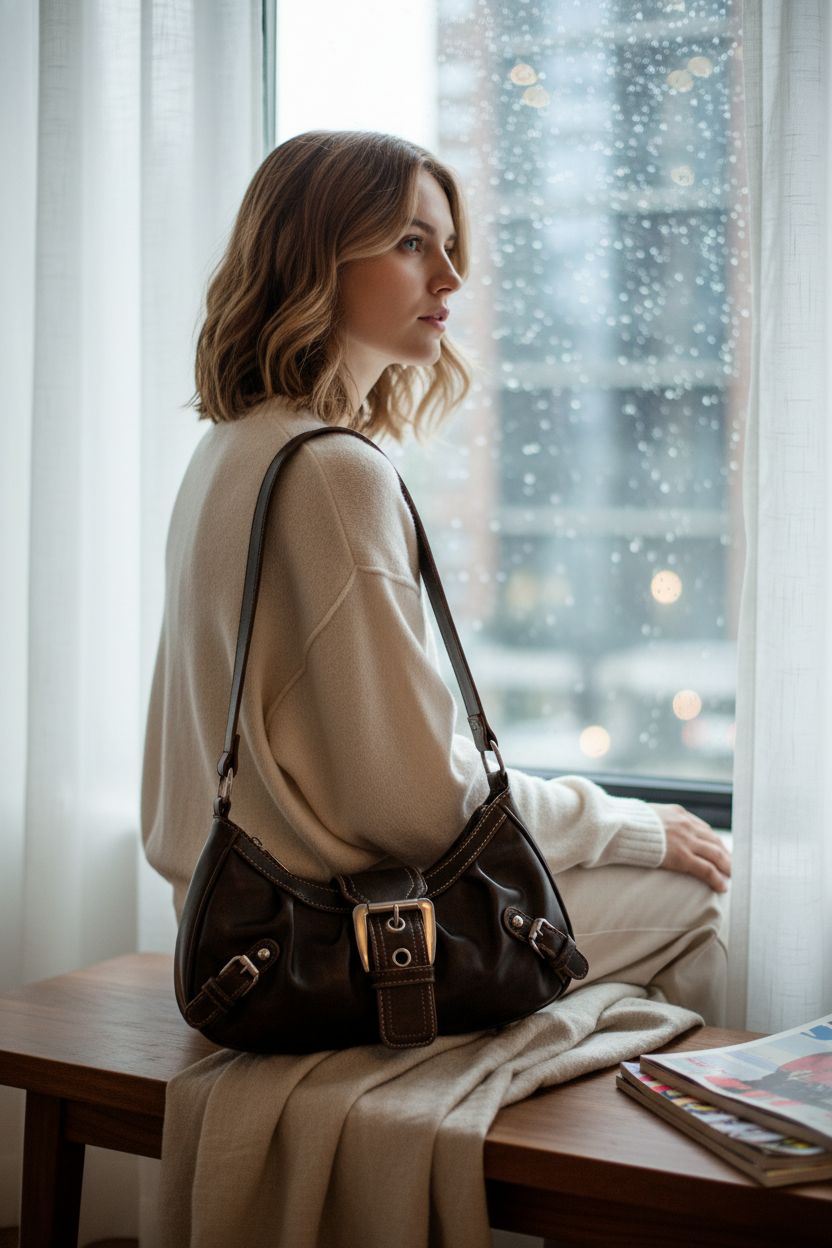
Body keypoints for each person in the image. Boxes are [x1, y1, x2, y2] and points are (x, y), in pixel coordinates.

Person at [141, 129, 731, 1029]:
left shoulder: (231, 448)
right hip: (344, 932)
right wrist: (626, 824)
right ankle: (648, 1120)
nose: (451, 278)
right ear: (314, 259)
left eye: (449, 247)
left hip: (236, 929)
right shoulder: (336, 474)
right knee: (701, 898)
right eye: (413, 243)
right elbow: (425, 809)